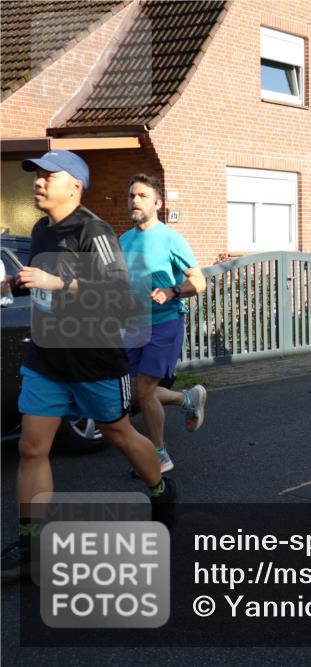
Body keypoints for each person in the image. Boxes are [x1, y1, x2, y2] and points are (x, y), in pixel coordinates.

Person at [2, 151, 177, 583]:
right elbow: (44, 281)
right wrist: (15, 282)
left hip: (95, 359)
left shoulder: (94, 231)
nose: (38, 183)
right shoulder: (41, 230)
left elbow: (119, 296)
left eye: (49, 176)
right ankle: (31, 543)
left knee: (119, 433)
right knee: (31, 447)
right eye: (36, 176)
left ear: (75, 185)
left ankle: (159, 487)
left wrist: (58, 283)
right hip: (47, 358)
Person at [120, 173, 207, 478]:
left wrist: (171, 291)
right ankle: (187, 399)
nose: (135, 200)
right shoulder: (124, 239)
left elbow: (199, 282)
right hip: (134, 324)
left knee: (145, 388)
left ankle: (158, 455)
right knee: (134, 394)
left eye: (142, 195)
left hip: (166, 322)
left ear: (157, 202)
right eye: (131, 195)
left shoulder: (171, 238)